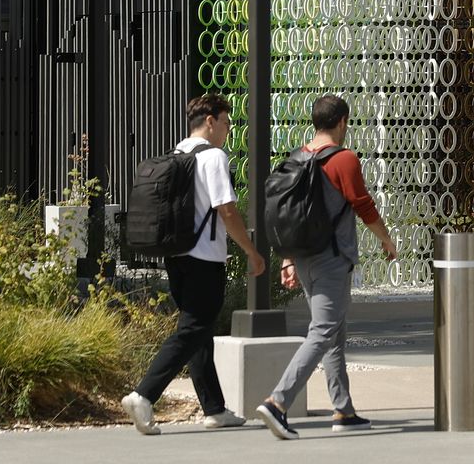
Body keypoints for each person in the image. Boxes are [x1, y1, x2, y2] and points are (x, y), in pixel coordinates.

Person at [122, 94, 266, 435]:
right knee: (192, 330)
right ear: (211, 121)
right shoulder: (213, 157)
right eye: (227, 123)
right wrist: (251, 251)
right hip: (204, 258)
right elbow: (227, 210)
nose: (229, 131)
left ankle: (214, 409)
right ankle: (144, 394)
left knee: (199, 333)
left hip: (177, 257)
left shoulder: (178, 152)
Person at [255, 94, 398, 440]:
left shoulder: (299, 157)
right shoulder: (343, 159)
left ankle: (343, 409)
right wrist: (386, 239)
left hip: (303, 256)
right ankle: (278, 401)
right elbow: (363, 205)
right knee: (323, 331)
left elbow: (289, 216)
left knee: (334, 333)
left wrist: (288, 258)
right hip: (331, 258)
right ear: (342, 122)